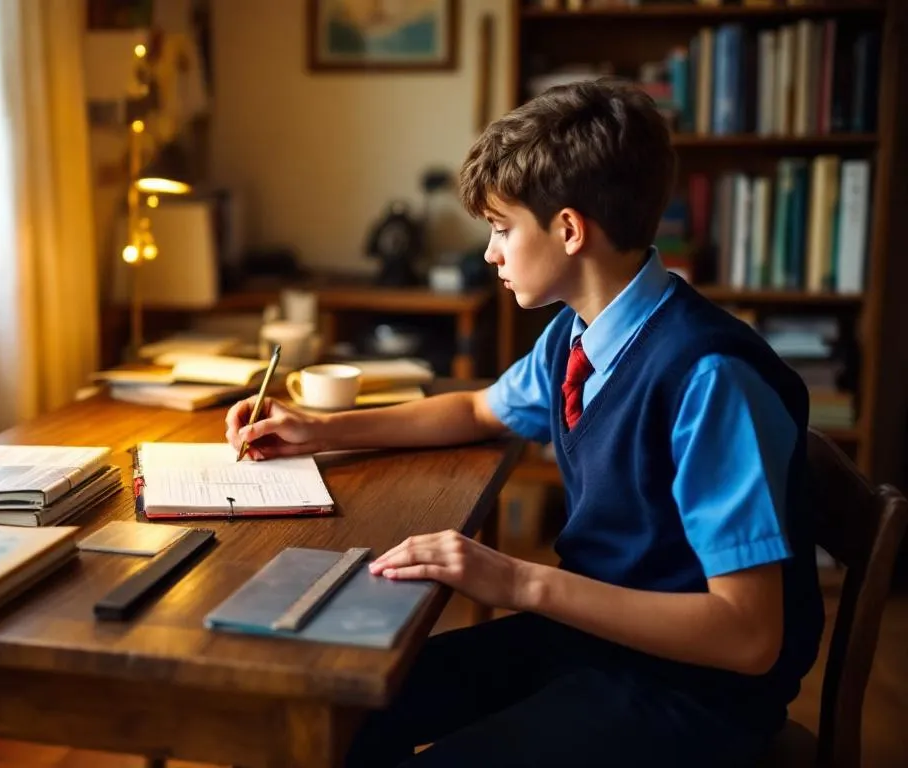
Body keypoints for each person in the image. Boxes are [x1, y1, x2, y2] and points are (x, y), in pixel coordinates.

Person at [223, 79, 823, 767]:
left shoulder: (709, 378)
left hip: (693, 692)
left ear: (569, 230)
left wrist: (517, 582)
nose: (490, 253)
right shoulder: (578, 332)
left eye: (502, 228)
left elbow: (748, 637)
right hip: (593, 638)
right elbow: (478, 408)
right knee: (345, 707)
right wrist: (323, 429)